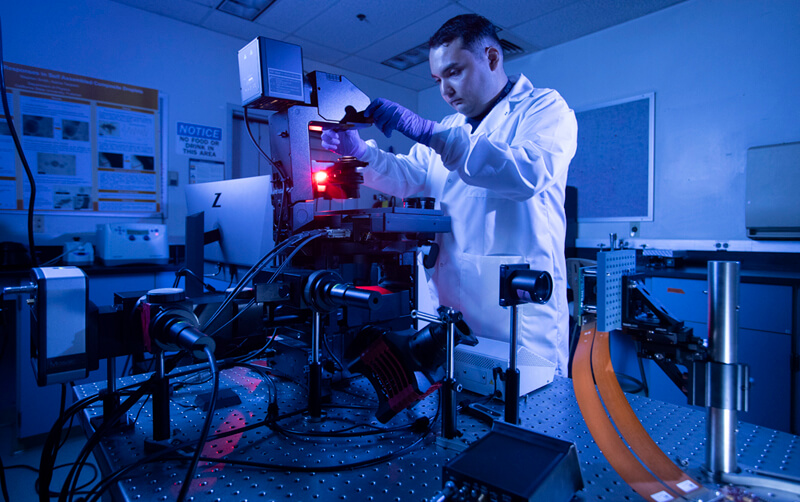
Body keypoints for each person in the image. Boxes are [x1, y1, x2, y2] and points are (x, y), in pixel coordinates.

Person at [322, 14, 577, 376]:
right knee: (456, 419)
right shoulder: (451, 128)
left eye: (454, 72)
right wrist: (362, 152)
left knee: (524, 412)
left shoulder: (544, 109)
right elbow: (409, 176)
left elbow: (526, 174)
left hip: (516, 319)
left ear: (491, 58)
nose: (445, 90)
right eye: (438, 79)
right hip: (449, 314)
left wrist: (430, 133)